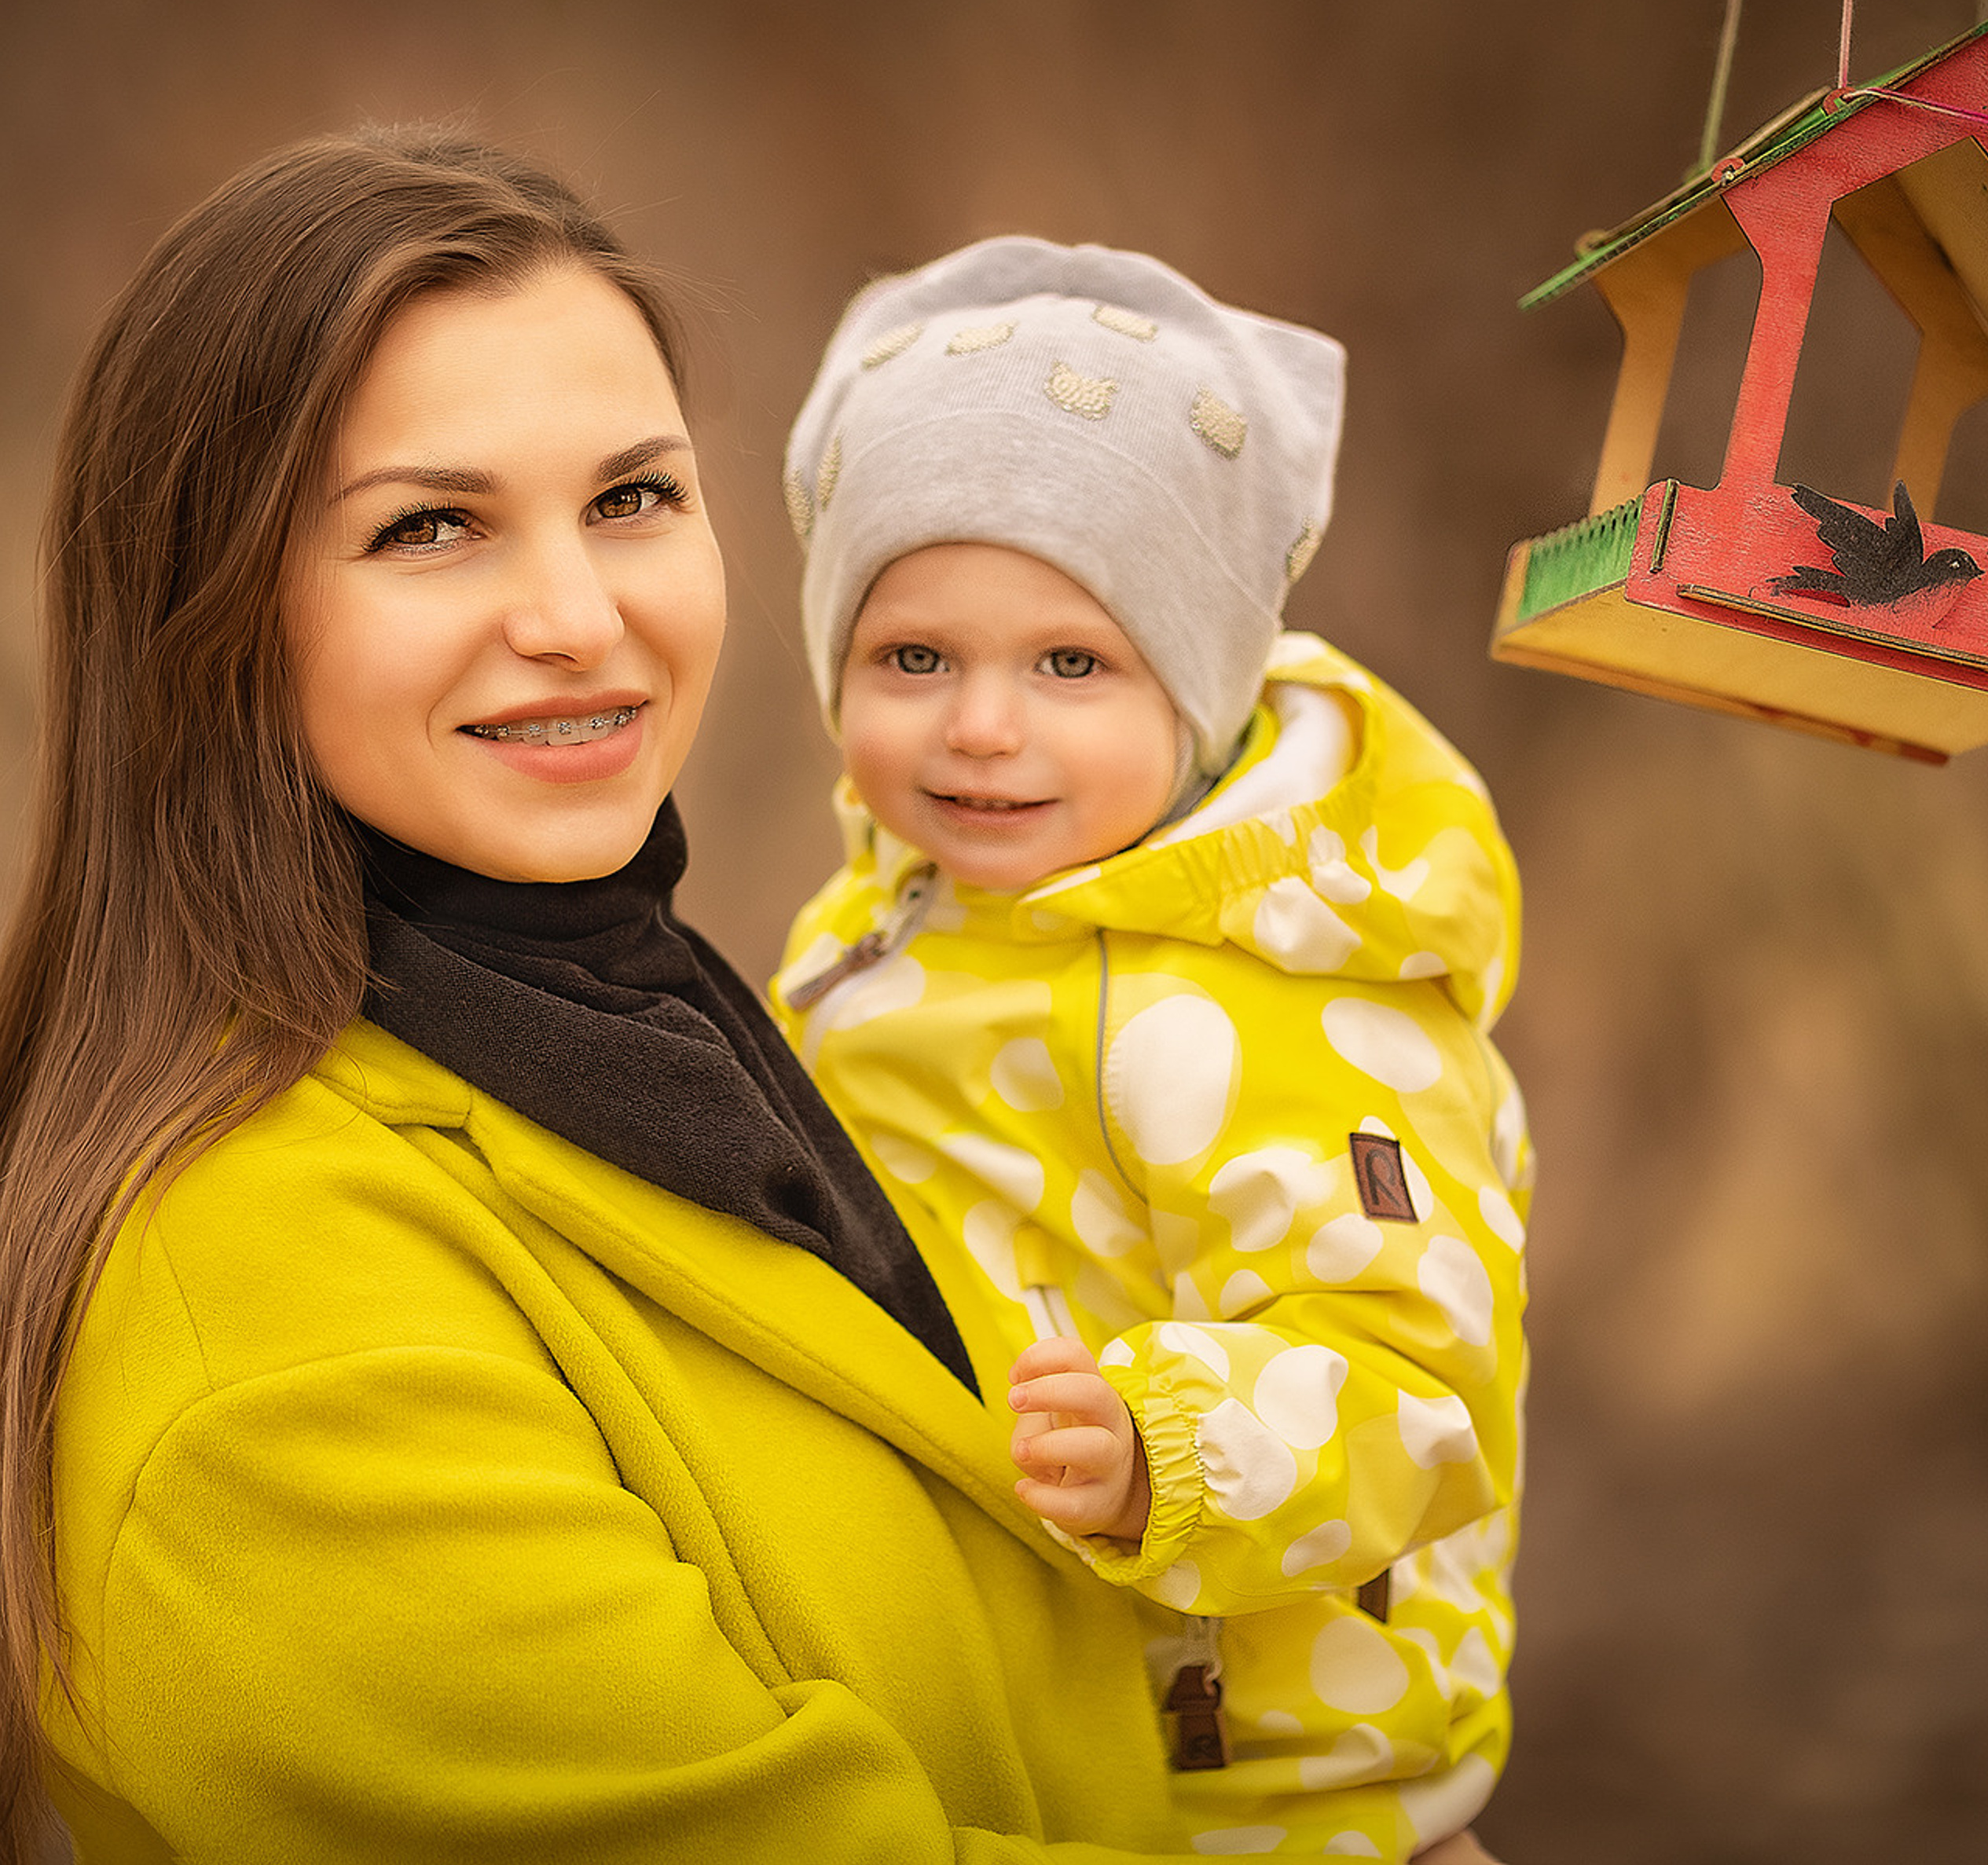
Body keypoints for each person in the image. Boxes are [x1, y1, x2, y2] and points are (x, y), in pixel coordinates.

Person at [0, 137, 1268, 1864]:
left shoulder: (638, 1021)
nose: (580, 616)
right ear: (205, 611)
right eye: (429, 525)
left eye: (630, 498)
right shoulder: (269, 1344)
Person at [772, 239, 1531, 1862]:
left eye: (1068, 661)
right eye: (913, 656)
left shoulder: (1284, 985)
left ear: (1196, 682)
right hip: (1020, 1736)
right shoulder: (894, 908)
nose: (980, 724)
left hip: (1272, 1781)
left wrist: (1161, 1445)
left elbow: (1417, 1381)